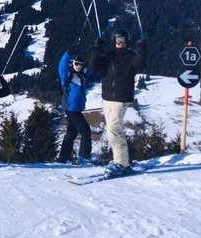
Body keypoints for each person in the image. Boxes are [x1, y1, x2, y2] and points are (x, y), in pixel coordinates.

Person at [88, 28, 147, 177]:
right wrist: (96, 48)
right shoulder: (109, 56)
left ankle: (122, 163)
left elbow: (140, 63)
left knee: (114, 129)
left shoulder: (131, 56)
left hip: (121, 99)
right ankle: (120, 160)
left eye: (122, 40)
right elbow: (93, 66)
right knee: (113, 130)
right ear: (113, 42)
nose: (120, 43)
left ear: (127, 41)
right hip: (107, 98)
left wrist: (141, 46)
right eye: (117, 40)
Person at [57, 51, 92, 164]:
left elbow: (91, 67)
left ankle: (63, 157)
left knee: (71, 133)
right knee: (86, 131)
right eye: (77, 64)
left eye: (81, 64)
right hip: (71, 108)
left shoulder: (82, 76)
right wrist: (67, 54)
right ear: (72, 64)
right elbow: (62, 66)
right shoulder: (67, 76)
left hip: (75, 109)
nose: (79, 66)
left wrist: (97, 51)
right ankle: (83, 157)